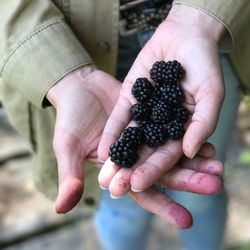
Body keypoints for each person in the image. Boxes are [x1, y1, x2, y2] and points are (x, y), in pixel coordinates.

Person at [0, 0, 249, 250]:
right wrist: (66, 75)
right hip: (78, 43)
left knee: (200, 195)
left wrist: (200, 19)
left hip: (213, 32)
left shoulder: (172, 91)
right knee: (118, 201)